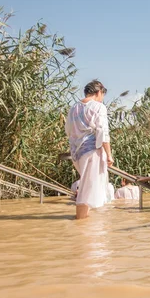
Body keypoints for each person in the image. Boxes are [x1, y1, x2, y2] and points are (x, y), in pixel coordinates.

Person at [65, 80, 113, 220]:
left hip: (77, 153)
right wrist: (109, 155)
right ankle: (82, 227)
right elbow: (103, 133)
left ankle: (85, 226)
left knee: (86, 190)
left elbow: (68, 130)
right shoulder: (98, 107)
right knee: (86, 193)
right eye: (102, 95)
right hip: (91, 152)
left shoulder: (74, 108)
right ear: (99, 92)